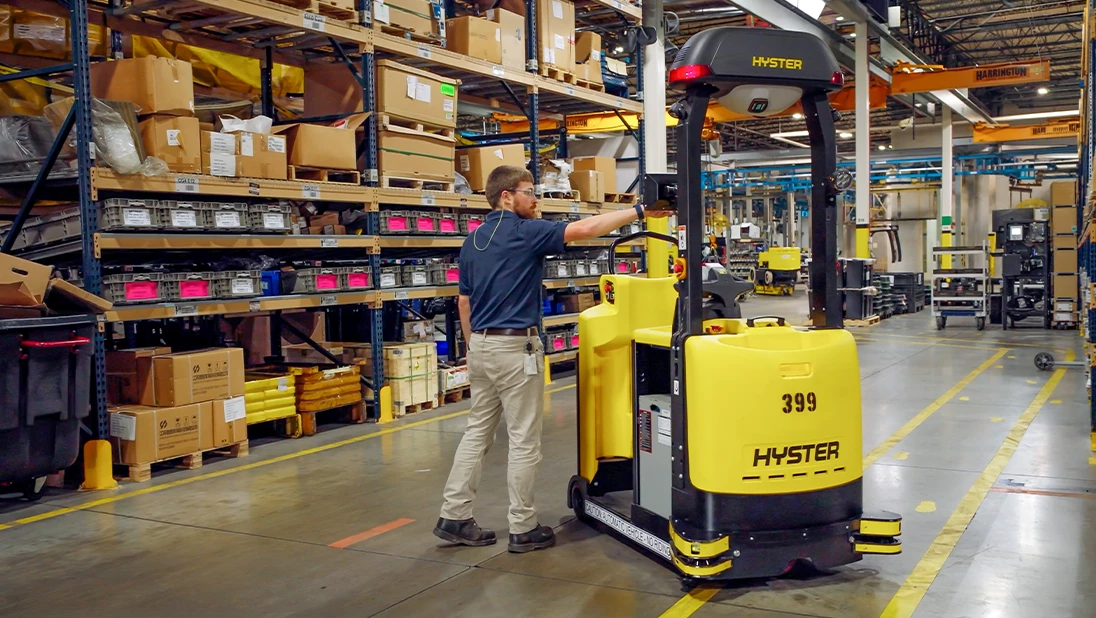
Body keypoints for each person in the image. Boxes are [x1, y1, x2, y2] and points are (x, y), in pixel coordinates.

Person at [434, 164, 670, 553]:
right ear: (506, 196)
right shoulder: (522, 231)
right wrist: (640, 212)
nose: (536, 199)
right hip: (515, 350)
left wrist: (473, 345)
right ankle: (522, 526)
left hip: (481, 348)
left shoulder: (472, 240)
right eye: (529, 191)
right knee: (524, 441)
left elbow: (464, 301)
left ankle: (454, 515)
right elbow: (583, 230)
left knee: (476, 433)